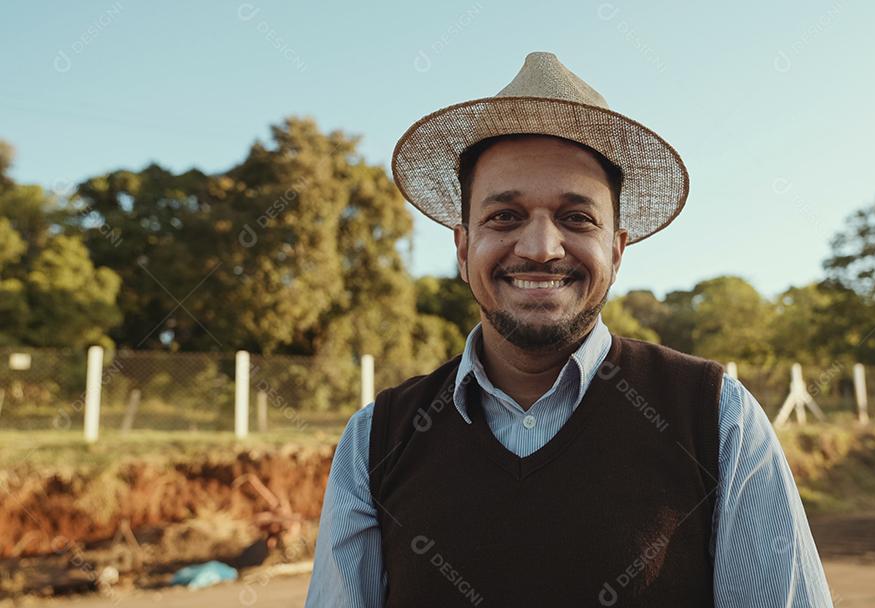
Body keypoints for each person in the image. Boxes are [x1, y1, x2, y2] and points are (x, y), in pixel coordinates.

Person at [306, 51, 833, 607]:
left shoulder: (717, 420)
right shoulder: (375, 442)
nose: (539, 248)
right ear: (463, 249)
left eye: (576, 218)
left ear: (617, 248)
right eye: (504, 216)